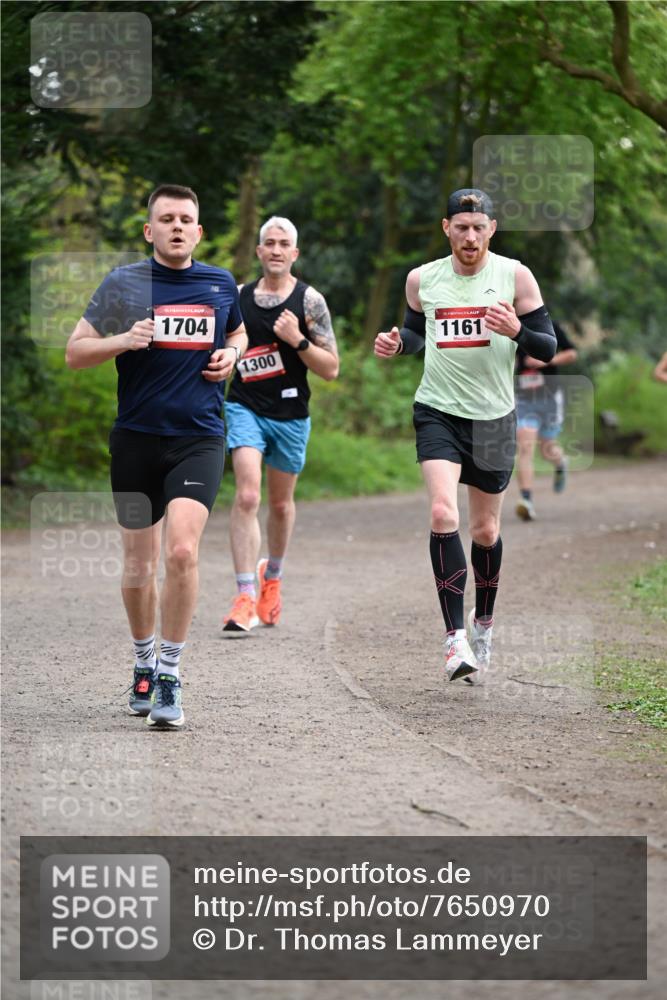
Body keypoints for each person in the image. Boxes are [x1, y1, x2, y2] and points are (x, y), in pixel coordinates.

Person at [66, 184, 247, 727]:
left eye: (185, 219)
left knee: (183, 553)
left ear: (198, 231)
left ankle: (169, 674)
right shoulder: (124, 283)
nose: (175, 226)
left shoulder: (219, 284)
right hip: (137, 439)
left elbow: (237, 330)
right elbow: (76, 352)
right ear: (150, 230)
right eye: (165, 218)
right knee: (141, 563)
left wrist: (232, 355)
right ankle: (142, 662)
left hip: (199, 437)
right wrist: (123, 340)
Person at [374, 189, 556, 685]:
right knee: (440, 512)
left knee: (485, 532)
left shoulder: (514, 275)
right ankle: (454, 638)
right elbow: (416, 332)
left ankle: (484, 623)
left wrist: (517, 329)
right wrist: (398, 343)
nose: (469, 235)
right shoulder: (423, 279)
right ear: (446, 228)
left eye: (478, 226)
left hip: (495, 417)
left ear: (491, 229)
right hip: (438, 409)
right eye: (461, 226)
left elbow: (547, 345)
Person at [222, 216, 339, 633]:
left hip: (291, 415)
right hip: (245, 407)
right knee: (248, 495)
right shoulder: (236, 297)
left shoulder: (310, 302)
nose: (275, 249)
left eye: (283, 243)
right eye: (268, 243)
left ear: (294, 253)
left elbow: (330, 369)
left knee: (280, 505)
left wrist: (298, 340)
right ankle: (244, 596)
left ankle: (272, 577)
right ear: (259, 252)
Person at [515, 320, 577, 521]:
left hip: (549, 397)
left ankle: (560, 462)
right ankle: (526, 500)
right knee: (525, 448)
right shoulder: (508, 322)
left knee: (547, 448)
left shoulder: (549, 324)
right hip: (524, 398)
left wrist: (547, 361)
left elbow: (571, 353)